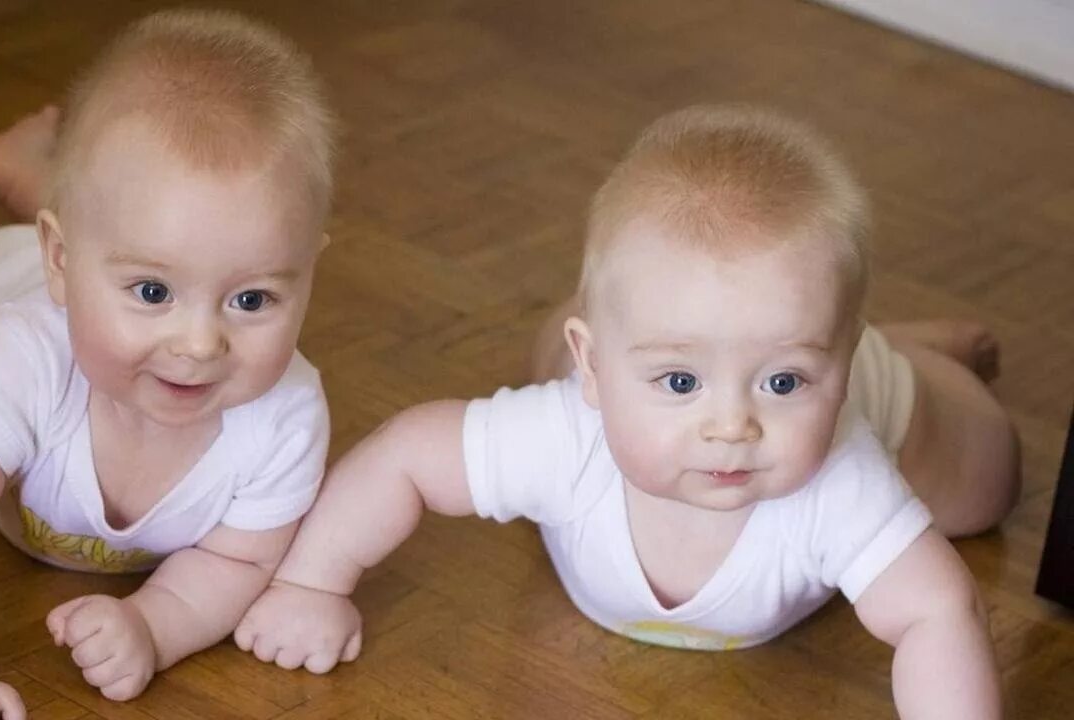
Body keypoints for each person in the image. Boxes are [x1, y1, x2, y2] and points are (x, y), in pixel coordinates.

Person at [233, 105, 1020, 719]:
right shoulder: (561, 436)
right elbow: (406, 455)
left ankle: (908, 354)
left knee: (988, 481)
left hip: (875, 385)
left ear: (837, 369)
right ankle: (668, 346)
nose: (731, 427)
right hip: (641, 356)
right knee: (560, 344)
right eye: (681, 384)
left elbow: (938, 613)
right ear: (596, 369)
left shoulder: (844, 477)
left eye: (782, 385)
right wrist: (312, 582)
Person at [0, 9, 335, 719]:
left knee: (123, 230)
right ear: (61, 262)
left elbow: (238, 561)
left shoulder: (287, 418)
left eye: (251, 297)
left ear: (307, 272)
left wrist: (154, 624)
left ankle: (37, 177)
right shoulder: (20, 356)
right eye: (153, 292)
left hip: (83, 252)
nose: (201, 344)